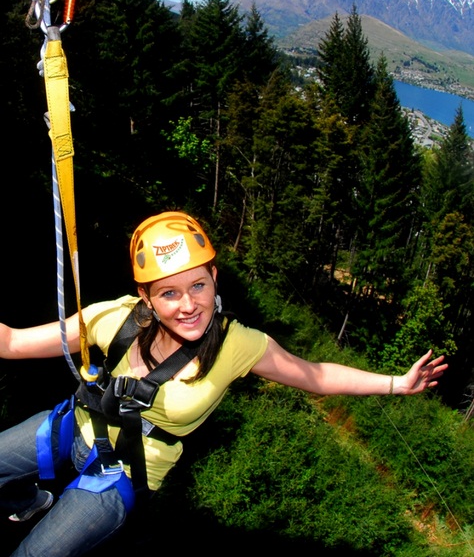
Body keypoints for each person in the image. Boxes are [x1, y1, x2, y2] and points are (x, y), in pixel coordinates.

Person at [0, 211, 447, 556]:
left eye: (198, 285)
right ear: (147, 298)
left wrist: (397, 384)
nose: (189, 305)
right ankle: (28, 496)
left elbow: (317, 376)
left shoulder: (239, 345)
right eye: (169, 293)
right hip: (71, 427)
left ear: (215, 278)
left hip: (124, 472)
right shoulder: (113, 319)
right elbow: (14, 342)